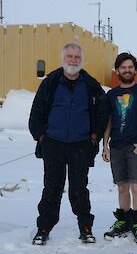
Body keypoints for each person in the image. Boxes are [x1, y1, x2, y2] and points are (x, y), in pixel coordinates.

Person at [29, 43, 109, 245]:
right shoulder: (51, 82)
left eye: (76, 57)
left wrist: (95, 137)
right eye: (69, 56)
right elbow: (37, 110)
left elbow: (102, 111)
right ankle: (44, 227)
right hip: (53, 143)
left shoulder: (90, 84)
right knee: (52, 188)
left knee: (79, 188)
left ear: (81, 60)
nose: (73, 60)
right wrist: (40, 136)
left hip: (81, 144)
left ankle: (85, 227)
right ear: (63, 58)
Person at [102, 53, 137, 244]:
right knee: (122, 188)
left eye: (130, 67)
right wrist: (105, 145)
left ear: (135, 70)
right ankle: (123, 222)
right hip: (116, 147)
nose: (127, 70)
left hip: (135, 148)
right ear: (117, 71)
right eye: (123, 67)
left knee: (136, 187)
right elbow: (107, 121)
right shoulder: (111, 95)